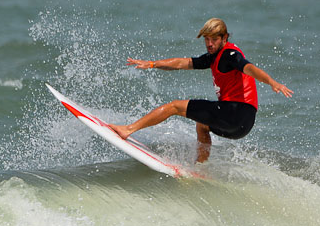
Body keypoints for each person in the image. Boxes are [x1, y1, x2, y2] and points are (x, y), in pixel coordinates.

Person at [109, 18, 293, 163]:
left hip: (235, 113)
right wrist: (151, 64)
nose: (209, 44)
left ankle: (128, 129)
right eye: (207, 39)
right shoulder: (213, 57)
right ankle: (201, 167)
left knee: (174, 106)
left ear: (225, 38)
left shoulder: (230, 55)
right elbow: (182, 63)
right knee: (202, 125)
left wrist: (272, 82)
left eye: (214, 40)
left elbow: (249, 68)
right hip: (243, 126)